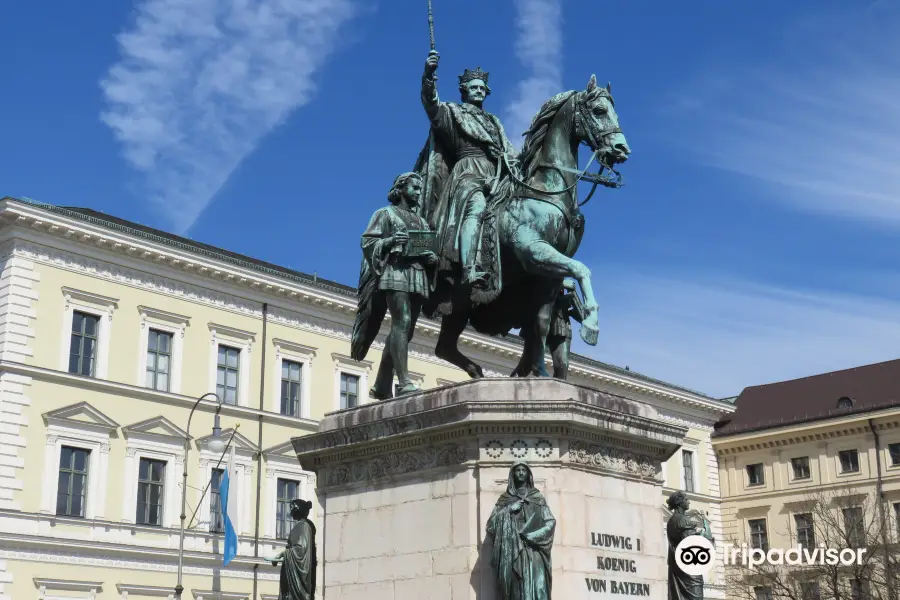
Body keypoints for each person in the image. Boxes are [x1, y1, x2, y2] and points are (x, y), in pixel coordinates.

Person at [416, 50, 519, 291]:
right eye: (474, 87)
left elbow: (510, 151)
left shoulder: (494, 122)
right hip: (468, 172)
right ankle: (469, 268)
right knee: (477, 207)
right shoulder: (453, 112)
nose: (479, 90)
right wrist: (428, 75)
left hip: (497, 174)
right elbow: (431, 105)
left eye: (482, 87)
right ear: (464, 90)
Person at [349, 172, 438, 398]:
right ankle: (404, 381)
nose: (419, 192)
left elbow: (426, 247)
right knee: (402, 321)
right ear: (400, 189)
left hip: (417, 274)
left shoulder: (421, 221)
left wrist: (431, 259)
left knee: (405, 331)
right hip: (395, 270)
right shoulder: (385, 213)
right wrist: (389, 241)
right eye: (414, 188)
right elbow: (367, 241)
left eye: (420, 188)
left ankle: (381, 384)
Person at [485, 463, 555, 600]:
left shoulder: (537, 497)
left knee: (538, 588)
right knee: (515, 590)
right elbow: (491, 526)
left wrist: (533, 536)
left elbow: (550, 522)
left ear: (529, 474)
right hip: (511, 551)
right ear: (513, 474)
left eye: (524, 470)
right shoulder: (505, 500)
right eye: (518, 470)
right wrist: (508, 509)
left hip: (533, 551)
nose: (521, 473)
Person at [666, 491, 713, 600]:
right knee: (695, 597)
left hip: (678, 565)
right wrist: (703, 535)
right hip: (689, 569)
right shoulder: (682, 520)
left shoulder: (671, 521)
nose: (689, 502)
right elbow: (691, 543)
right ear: (679, 502)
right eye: (686, 500)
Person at [268, 499, 316, 600]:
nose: (289, 510)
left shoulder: (304, 527)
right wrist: (283, 555)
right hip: (291, 576)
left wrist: (284, 554)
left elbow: (301, 550)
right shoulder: (299, 527)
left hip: (299, 580)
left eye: (291, 507)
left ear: (297, 509)